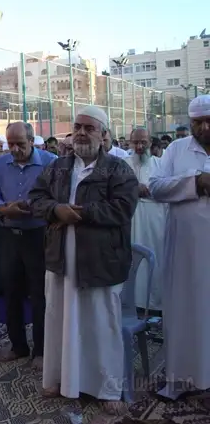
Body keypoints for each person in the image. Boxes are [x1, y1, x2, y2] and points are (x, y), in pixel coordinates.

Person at [29, 105, 138, 414]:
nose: (81, 133)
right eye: (77, 127)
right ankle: (58, 379)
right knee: (58, 318)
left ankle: (107, 388)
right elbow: (36, 199)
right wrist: (55, 210)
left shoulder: (118, 169)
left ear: (104, 135)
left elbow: (123, 208)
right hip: (60, 258)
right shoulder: (57, 167)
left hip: (101, 262)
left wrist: (79, 213)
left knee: (101, 324)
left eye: (89, 128)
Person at [149, 94, 210, 399]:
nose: (205, 127)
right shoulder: (176, 149)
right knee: (183, 312)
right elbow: (155, 187)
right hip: (184, 250)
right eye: (198, 122)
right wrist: (195, 182)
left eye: (209, 121)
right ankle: (181, 379)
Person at [0, 122, 57, 367]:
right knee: (11, 291)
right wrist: (2, 208)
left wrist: (30, 206)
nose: (15, 149)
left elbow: (55, 196)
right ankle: (18, 345)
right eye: (11, 144)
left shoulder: (50, 163)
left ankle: (41, 349)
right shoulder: (1, 164)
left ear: (31, 140)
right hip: (8, 235)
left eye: (20, 144)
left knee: (39, 294)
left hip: (37, 235)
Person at [123, 128, 167, 311]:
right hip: (130, 220)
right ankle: (131, 303)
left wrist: (150, 190)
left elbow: (169, 189)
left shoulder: (161, 165)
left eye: (143, 142)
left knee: (154, 258)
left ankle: (154, 304)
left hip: (155, 220)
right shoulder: (122, 165)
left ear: (150, 143)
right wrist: (134, 188)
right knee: (131, 260)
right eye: (135, 142)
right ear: (130, 143)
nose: (139, 146)